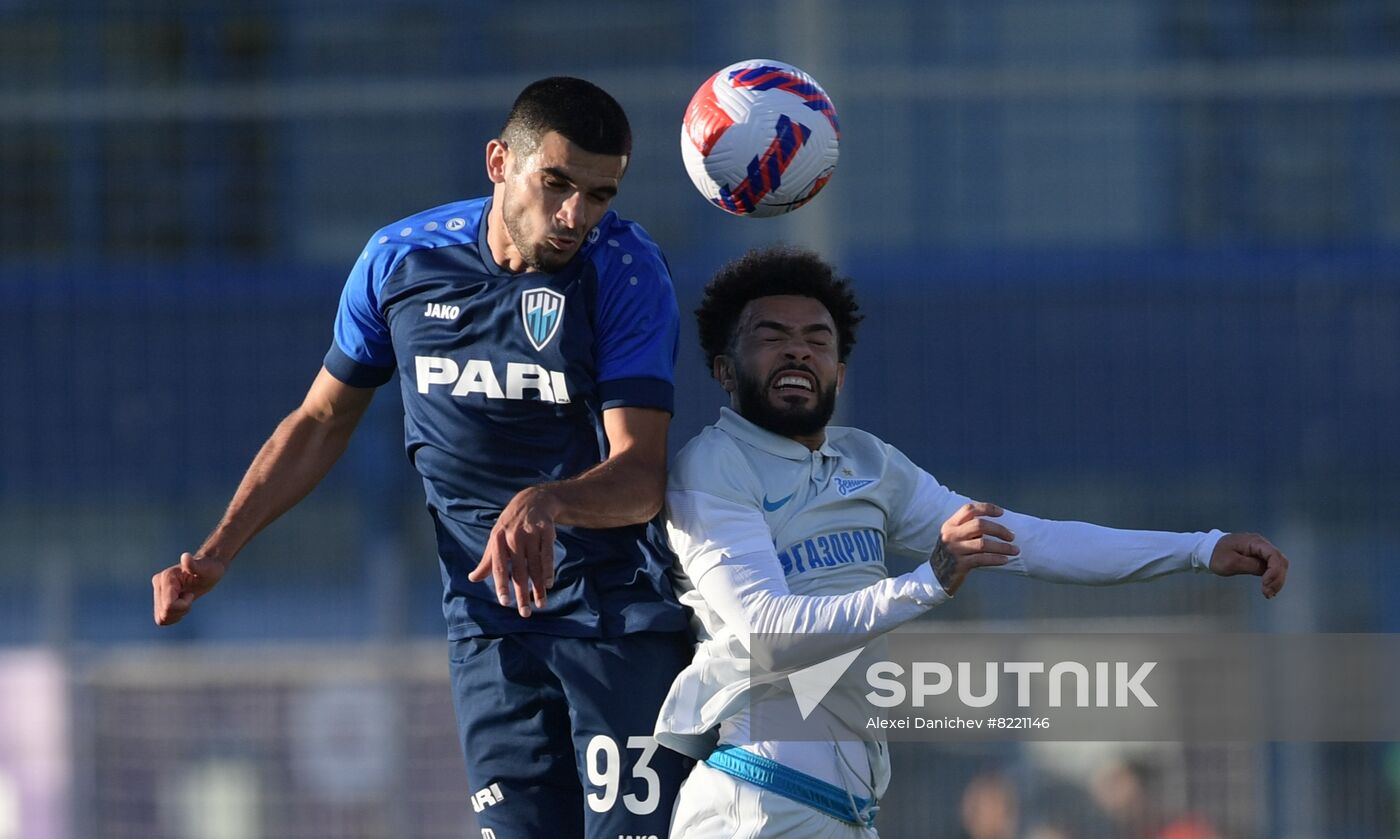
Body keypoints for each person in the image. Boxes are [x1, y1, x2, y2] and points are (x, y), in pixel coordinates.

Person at [151, 77, 694, 839]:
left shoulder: (626, 272)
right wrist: (217, 550)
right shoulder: (401, 260)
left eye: (599, 194)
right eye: (557, 183)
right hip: (487, 626)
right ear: (500, 160)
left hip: (614, 618)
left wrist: (550, 501)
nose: (576, 215)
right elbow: (319, 419)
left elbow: (640, 475)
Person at [653, 246, 1289, 838]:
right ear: (723, 370)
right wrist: (926, 582)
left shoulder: (868, 461)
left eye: (817, 341)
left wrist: (1199, 549)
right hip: (757, 805)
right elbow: (768, 636)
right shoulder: (714, 467)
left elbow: (1031, 540)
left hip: (837, 813)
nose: (798, 353)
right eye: (772, 337)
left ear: (839, 372)